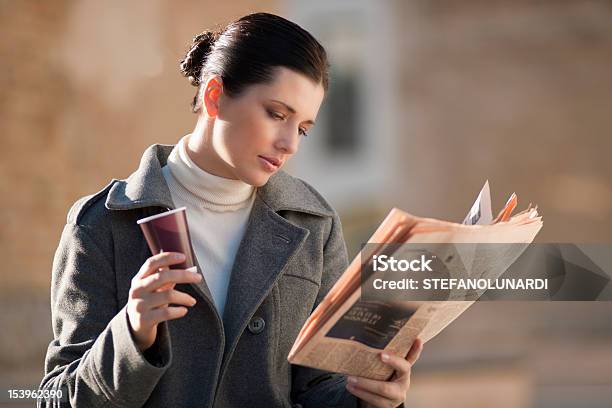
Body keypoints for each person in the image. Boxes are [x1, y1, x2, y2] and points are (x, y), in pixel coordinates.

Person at [38, 12, 423, 408]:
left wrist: (369, 399)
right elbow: (54, 399)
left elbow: (318, 389)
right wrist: (132, 334)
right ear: (214, 96)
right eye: (276, 114)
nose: (290, 143)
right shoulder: (102, 224)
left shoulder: (314, 224)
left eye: (303, 128)